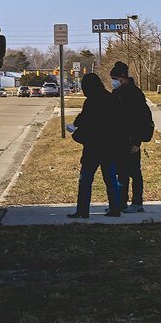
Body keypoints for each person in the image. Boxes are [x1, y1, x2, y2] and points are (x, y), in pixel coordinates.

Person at [67, 74, 122, 217]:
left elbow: (84, 119)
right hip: (109, 146)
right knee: (110, 179)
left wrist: (75, 128)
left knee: (85, 179)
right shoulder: (111, 99)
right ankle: (115, 208)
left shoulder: (91, 102)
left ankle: (82, 210)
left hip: (93, 146)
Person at [109, 61, 154, 213]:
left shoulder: (135, 95)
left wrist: (137, 141)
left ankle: (137, 202)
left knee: (134, 172)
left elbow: (141, 120)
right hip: (118, 140)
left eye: (115, 78)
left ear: (123, 78)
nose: (113, 82)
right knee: (121, 173)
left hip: (131, 140)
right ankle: (121, 202)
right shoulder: (117, 93)